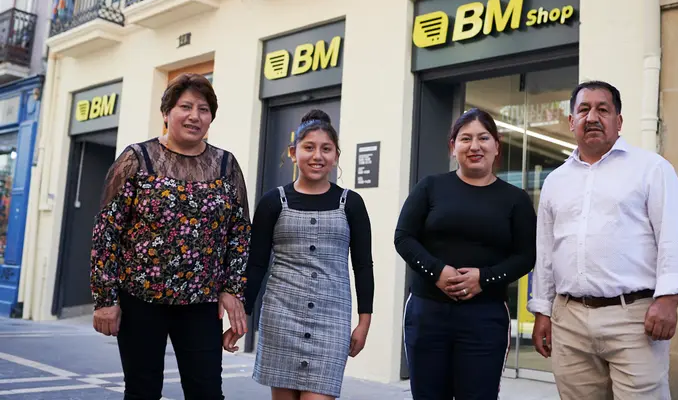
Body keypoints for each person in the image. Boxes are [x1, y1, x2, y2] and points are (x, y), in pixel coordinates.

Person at [528, 80, 678, 400]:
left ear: (618, 122)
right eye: (583, 109)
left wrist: (668, 299)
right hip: (569, 320)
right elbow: (547, 252)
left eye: (602, 109)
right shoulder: (556, 181)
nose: (592, 116)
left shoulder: (651, 169)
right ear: (571, 121)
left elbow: (674, 236)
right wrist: (542, 311)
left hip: (634, 320)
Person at [90, 73, 251, 400]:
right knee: (142, 390)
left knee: (206, 391)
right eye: (185, 106)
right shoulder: (137, 159)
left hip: (201, 302)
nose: (195, 116)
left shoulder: (226, 165)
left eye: (204, 109)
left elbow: (240, 232)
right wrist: (105, 299)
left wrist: (233, 289)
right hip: (141, 300)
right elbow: (107, 229)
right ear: (166, 113)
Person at [225, 110, 374, 400]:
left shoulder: (351, 203)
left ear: (335, 156)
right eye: (309, 147)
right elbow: (256, 264)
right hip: (281, 317)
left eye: (326, 149)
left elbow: (363, 266)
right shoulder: (273, 202)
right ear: (294, 153)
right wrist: (243, 314)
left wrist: (364, 322)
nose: (317, 156)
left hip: (332, 321)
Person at [394, 108, 537, 400]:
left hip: (485, 317)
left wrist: (484, 278)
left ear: (497, 146)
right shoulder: (430, 187)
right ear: (453, 146)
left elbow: (526, 256)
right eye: (465, 139)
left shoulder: (515, 200)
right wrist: (437, 271)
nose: (475, 146)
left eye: (483, 138)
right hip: (427, 311)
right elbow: (404, 238)